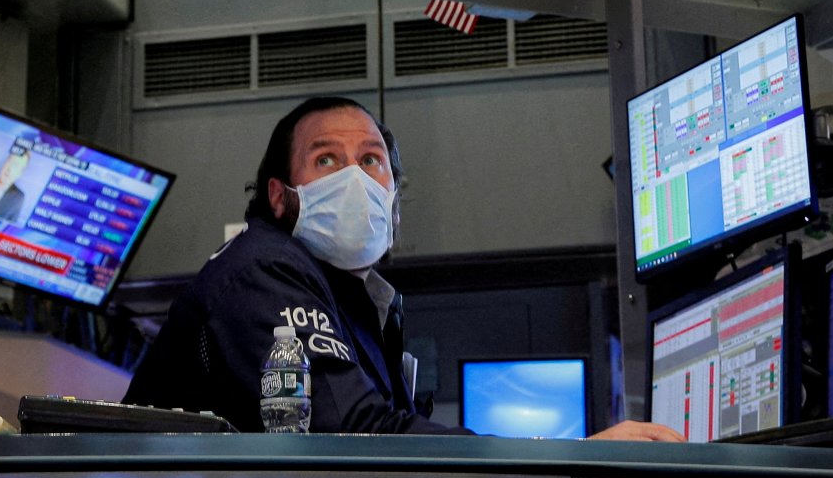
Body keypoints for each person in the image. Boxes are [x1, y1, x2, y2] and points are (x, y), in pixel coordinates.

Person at [124, 96, 681, 440]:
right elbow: (355, 435)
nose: (355, 178)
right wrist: (567, 460)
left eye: (371, 160)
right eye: (326, 160)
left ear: (392, 194)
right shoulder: (264, 270)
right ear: (280, 196)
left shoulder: (354, 300)